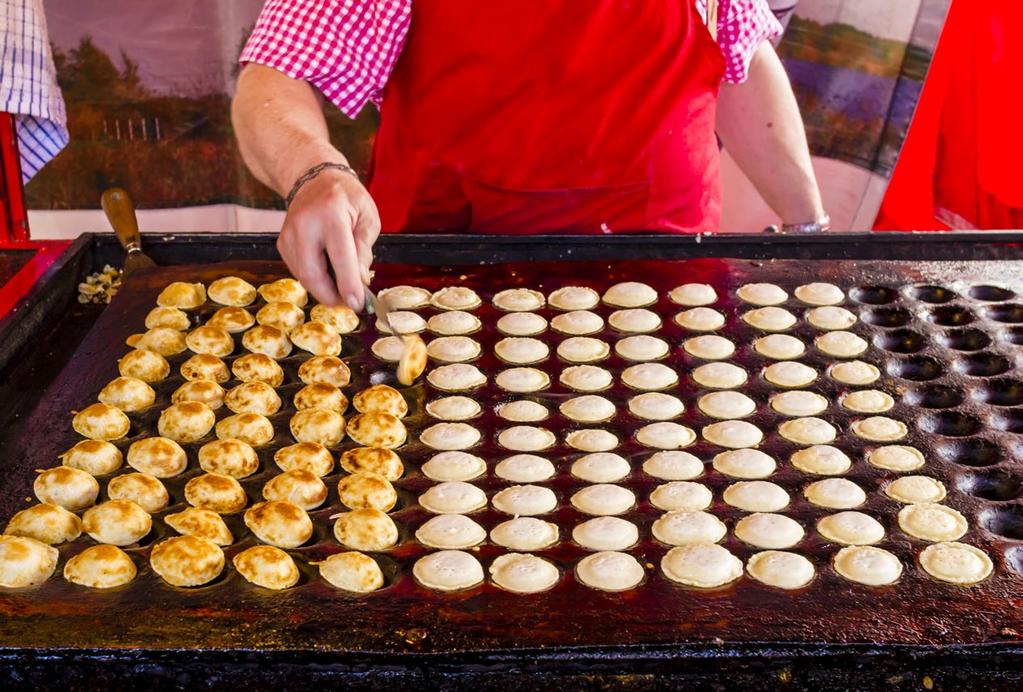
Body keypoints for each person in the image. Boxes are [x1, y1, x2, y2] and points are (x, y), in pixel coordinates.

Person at [233, 0, 827, 308]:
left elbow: (740, 58)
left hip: (668, 281)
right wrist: (313, 171)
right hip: (449, 291)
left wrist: (809, 230)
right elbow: (276, 74)